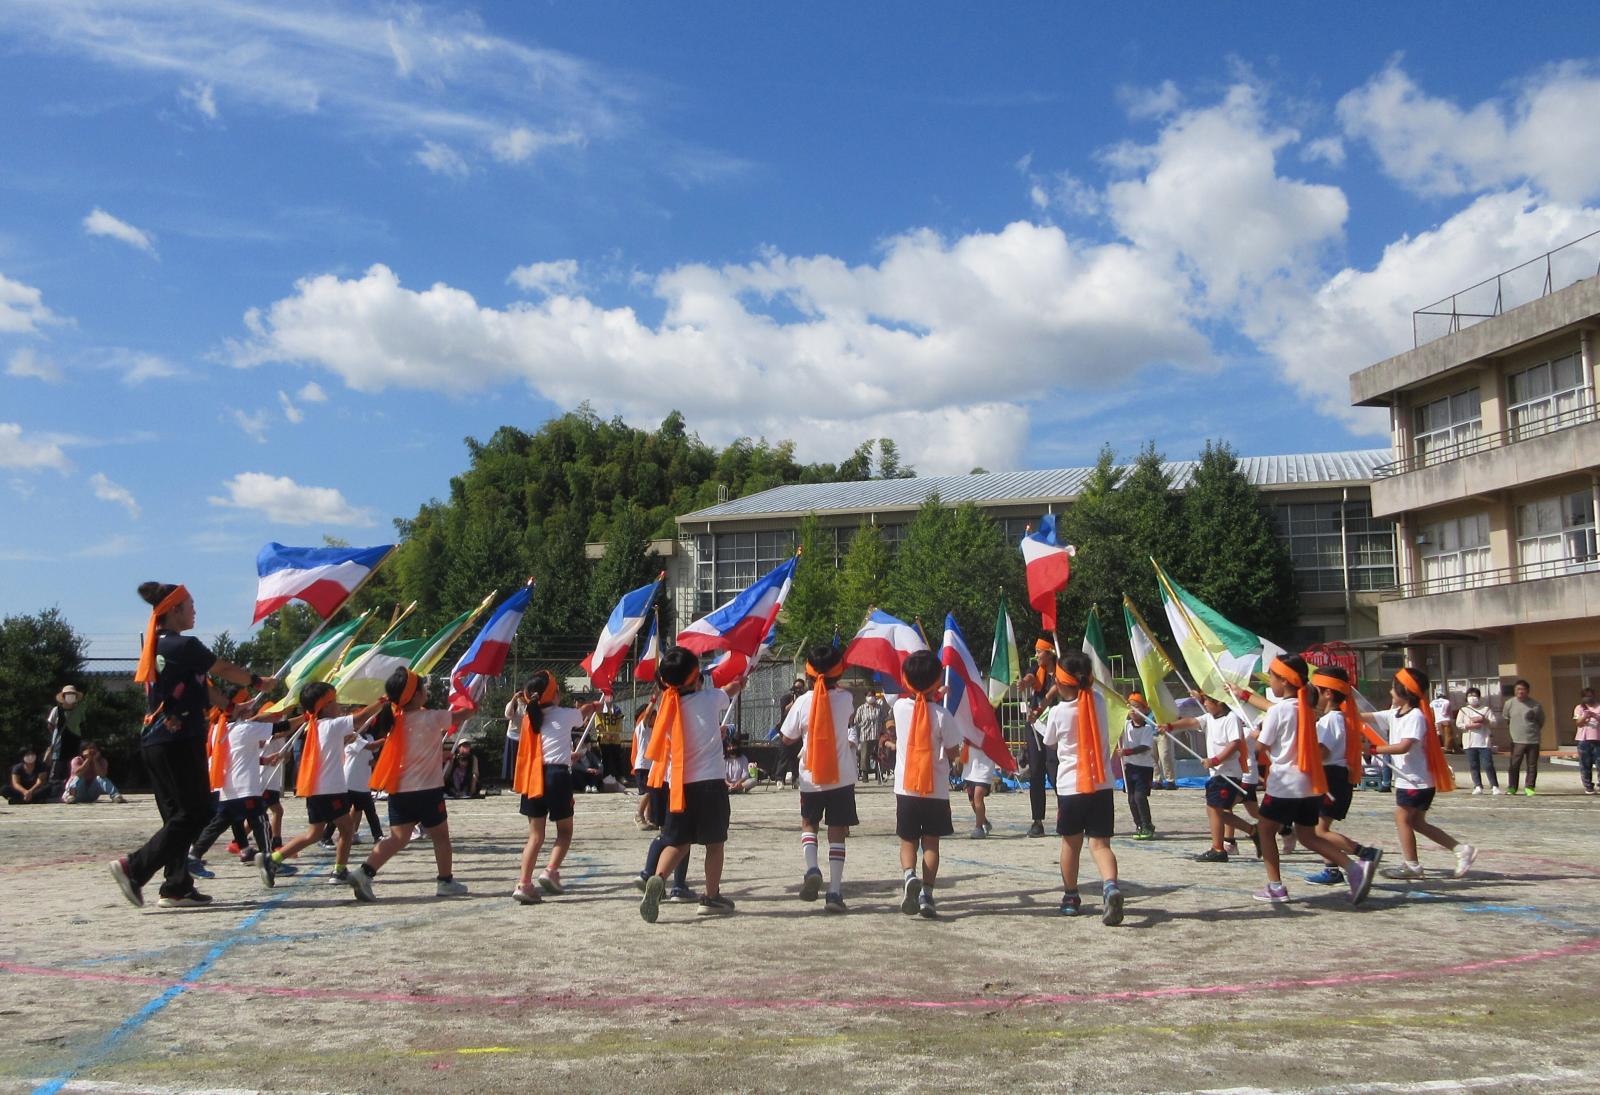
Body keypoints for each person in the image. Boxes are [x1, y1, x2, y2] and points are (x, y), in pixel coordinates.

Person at [109, 582, 276, 910]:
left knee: (178, 817)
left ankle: (176, 886)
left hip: (160, 741)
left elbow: (205, 685)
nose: (195, 610)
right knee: (196, 812)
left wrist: (231, 707)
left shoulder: (163, 647)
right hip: (175, 740)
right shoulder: (181, 645)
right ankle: (134, 867)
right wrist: (258, 681)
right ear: (173, 611)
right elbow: (224, 670)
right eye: (190, 605)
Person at [1247, 655, 1376, 906]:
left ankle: (1276, 886)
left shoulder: (1279, 710)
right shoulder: (1305, 708)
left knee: (1265, 829)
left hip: (1285, 783)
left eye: (1272, 677)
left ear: (1284, 681)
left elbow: (1262, 747)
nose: (1270, 682)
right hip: (1309, 783)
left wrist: (1255, 736)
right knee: (1308, 836)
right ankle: (1353, 868)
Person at [637, 646, 746, 922]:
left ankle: (659, 880)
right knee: (715, 843)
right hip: (710, 784)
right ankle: (711, 897)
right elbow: (730, 690)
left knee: (678, 842)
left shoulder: (666, 707)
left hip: (678, 787)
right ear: (696, 676)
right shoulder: (709, 698)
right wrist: (741, 680)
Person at [348, 667, 472, 901]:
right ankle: (445, 881)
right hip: (427, 792)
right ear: (414, 695)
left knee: (398, 838)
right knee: (441, 837)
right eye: (422, 687)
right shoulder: (432, 717)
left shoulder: (394, 718)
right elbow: (464, 714)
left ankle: (364, 872)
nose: (426, 690)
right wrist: (471, 693)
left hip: (400, 791)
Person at [1039, 652, 1125, 923]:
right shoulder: (1099, 702)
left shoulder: (1058, 712)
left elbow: (1050, 742)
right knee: (1100, 845)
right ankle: (1110, 886)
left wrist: (1037, 721)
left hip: (1071, 788)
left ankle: (1070, 896)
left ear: (1062, 682)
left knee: (1070, 845)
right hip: (1101, 785)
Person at [266, 683, 382, 881]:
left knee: (314, 834)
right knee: (346, 828)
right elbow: (360, 718)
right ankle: (339, 870)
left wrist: (344, 740)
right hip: (330, 789)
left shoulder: (316, 726)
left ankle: (274, 859)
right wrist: (382, 701)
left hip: (317, 789)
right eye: (334, 701)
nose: (338, 705)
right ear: (325, 706)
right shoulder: (330, 724)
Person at [1370, 667, 1476, 881]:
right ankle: (1460, 849)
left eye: (1393, 688)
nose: (1391, 692)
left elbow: (1404, 746)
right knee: (1417, 822)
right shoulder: (1395, 713)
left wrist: (1374, 750)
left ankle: (1412, 865)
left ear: (1404, 691)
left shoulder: (1416, 716)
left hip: (1415, 781)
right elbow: (1366, 716)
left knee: (1402, 818)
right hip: (1410, 780)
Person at [777, 644, 859, 912]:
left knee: (809, 823)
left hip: (811, 777)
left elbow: (787, 737)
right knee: (837, 832)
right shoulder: (846, 699)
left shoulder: (801, 702)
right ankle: (834, 891)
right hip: (841, 777)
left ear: (809, 673)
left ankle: (812, 868)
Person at [510, 670, 599, 905]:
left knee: (535, 836)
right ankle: (550, 871)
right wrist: (593, 705)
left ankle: (524, 884)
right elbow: (580, 714)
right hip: (557, 777)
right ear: (555, 695)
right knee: (565, 832)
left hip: (533, 777)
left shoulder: (529, 719)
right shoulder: (565, 714)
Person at [891, 650, 965, 920]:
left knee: (907, 840)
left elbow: (914, 699)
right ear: (936, 682)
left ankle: (909, 875)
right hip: (935, 790)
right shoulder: (942, 714)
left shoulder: (899, 708)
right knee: (931, 843)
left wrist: (931, 692)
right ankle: (928, 895)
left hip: (906, 788)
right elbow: (954, 751)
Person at [193, 694, 292, 890]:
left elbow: (235, 757)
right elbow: (281, 727)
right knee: (260, 822)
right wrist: (307, 717)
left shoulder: (220, 729)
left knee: (218, 824)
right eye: (243, 704)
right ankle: (268, 858)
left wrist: (263, 760)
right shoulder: (244, 728)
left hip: (228, 788)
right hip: (244, 788)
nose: (249, 707)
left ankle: (194, 855)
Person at [1302, 666, 1382, 887]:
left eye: (1316, 690)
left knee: (1318, 831)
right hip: (1334, 777)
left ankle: (1365, 853)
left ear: (1328, 693)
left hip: (1331, 778)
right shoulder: (1337, 719)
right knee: (1318, 828)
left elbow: (1322, 752)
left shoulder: (1331, 720)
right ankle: (1331, 869)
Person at [1023, 639, 1071, 837]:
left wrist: (1040, 707)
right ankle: (1037, 820)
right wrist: (1023, 683)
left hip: (1055, 725)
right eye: (1035, 652)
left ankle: (1066, 815)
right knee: (1035, 772)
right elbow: (1029, 678)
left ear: (1050, 653)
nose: (1036, 655)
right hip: (1036, 726)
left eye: (1039, 652)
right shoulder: (1036, 669)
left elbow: (1052, 693)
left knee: (1056, 770)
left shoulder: (1061, 672)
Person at [1118, 694, 1156, 840]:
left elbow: (1145, 747)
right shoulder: (1126, 725)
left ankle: (1147, 824)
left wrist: (1127, 752)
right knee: (1131, 799)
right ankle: (1139, 824)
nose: (1133, 710)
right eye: (1131, 707)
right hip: (1129, 767)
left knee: (1140, 797)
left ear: (1145, 710)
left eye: (1137, 707)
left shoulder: (1147, 728)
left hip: (1143, 768)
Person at [1503, 680, 1545, 796]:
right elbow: (1507, 719)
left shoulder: (1535, 705)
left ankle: (1530, 787)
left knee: (1532, 765)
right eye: (1518, 689)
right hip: (1516, 740)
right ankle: (1512, 788)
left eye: (1523, 689)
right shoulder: (1509, 703)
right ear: (1515, 691)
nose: (1520, 691)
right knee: (1514, 765)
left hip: (1533, 740)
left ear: (1528, 691)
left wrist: (1533, 731)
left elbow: (1541, 721)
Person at [44, 685, 86, 799]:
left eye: (72, 695)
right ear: (63, 696)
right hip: (59, 745)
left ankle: (71, 792)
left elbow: (82, 725)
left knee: (72, 770)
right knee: (56, 771)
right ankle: (53, 794)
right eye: (68, 695)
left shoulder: (79, 710)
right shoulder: (56, 710)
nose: (70, 697)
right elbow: (50, 725)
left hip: (74, 742)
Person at [1457, 688, 1500, 795]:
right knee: (1474, 765)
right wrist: (1469, 726)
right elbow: (1459, 724)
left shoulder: (1486, 709)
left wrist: (1484, 720)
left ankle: (1494, 786)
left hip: (1484, 742)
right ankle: (1477, 786)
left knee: (1488, 764)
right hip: (1469, 743)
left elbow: (1494, 723)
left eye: (1474, 695)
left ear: (1479, 697)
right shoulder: (1463, 710)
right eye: (1470, 695)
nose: (1472, 698)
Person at [774, 677, 806, 788]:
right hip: (786, 732)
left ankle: (795, 778)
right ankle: (779, 779)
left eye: (801, 688)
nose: (798, 690)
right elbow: (784, 711)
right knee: (784, 756)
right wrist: (794, 702)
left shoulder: (805, 699)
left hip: (798, 732)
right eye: (796, 688)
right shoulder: (786, 698)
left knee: (795, 757)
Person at [631, 701, 659, 830]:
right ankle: (638, 815)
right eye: (655, 715)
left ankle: (648, 819)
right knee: (647, 792)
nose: (656, 717)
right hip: (642, 766)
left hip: (650, 766)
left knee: (652, 793)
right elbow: (647, 714)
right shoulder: (642, 728)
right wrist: (653, 701)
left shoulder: (653, 730)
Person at [850, 692, 888, 783]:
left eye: (872, 695)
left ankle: (880, 774)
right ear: (866, 697)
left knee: (879, 755)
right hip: (865, 735)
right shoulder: (861, 708)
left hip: (877, 735)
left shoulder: (879, 708)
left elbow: (884, 719)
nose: (871, 697)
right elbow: (856, 721)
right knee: (865, 755)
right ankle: (865, 774)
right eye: (869, 695)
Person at [1574, 687, 1600, 795]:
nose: (1588, 698)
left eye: (1590, 696)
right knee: (1585, 764)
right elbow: (1578, 723)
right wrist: (1585, 716)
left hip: (1598, 739)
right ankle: (1588, 787)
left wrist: (1595, 715)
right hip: (1583, 740)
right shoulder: (1579, 708)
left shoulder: (1599, 707)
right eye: (1585, 696)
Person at [503, 686, 530, 783]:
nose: (522, 695)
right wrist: (514, 698)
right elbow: (508, 715)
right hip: (513, 735)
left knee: (524, 761)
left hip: (525, 737)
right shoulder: (514, 704)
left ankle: (523, 781)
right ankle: (513, 782)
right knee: (513, 761)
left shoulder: (529, 704)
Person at [1431, 688, 1457, 753]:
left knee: (1442, 734)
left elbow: (1432, 712)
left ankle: (1452, 747)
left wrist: (1433, 720)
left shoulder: (1433, 702)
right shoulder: (1446, 701)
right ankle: (1447, 748)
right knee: (1448, 735)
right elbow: (1445, 711)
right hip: (1446, 720)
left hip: (1437, 720)